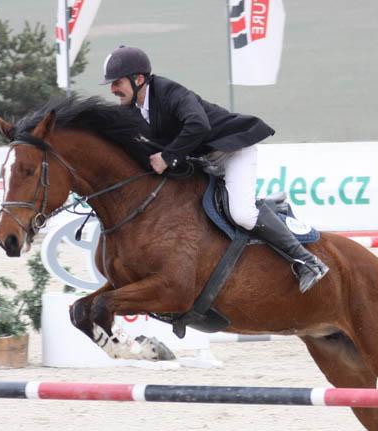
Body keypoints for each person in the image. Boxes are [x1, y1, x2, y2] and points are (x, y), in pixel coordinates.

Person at [101, 45, 328, 292]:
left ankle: (308, 262)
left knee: (242, 214)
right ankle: (271, 207)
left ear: (139, 79)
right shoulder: (132, 109)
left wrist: (167, 157)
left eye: (117, 82)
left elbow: (198, 125)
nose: (113, 89)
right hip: (203, 159)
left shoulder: (169, 92)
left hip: (233, 151)